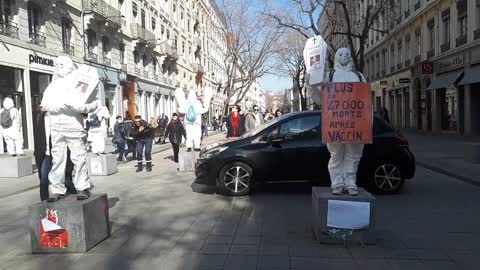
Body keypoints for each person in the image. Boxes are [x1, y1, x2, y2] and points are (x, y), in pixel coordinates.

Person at [40, 56, 99, 201]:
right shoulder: (52, 85)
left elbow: (95, 103)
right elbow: (44, 105)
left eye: (63, 64)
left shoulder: (80, 81)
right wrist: (56, 107)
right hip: (56, 126)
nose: (59, 66)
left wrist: (82, 108)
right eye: (57, 64)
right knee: (57, 159)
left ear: (69, 65)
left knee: (78, 157)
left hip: (73, 125)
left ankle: (82, 187)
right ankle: (57, 189)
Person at [326, 48, 367, 196]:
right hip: (335, 123)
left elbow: (365, 100)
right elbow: (320, 98)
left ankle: (350, 181)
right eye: (342, 54)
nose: (345, 56)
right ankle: (337, 182)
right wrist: (310, 84)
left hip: (354, 123)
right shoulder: (330, 75)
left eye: (348, 54)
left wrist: (368, 123)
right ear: (337, 57)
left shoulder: (359, 76)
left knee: (353, 155)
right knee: (336, 155)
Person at [34, 107, 76, 201]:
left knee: (67, 179)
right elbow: (38, 137)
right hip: (47, 154)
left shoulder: (61, 116)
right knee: (44, 180)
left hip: (61, 152)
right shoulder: (41, 117)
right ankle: (44, 205)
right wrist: (38, 153)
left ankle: (75, 200)